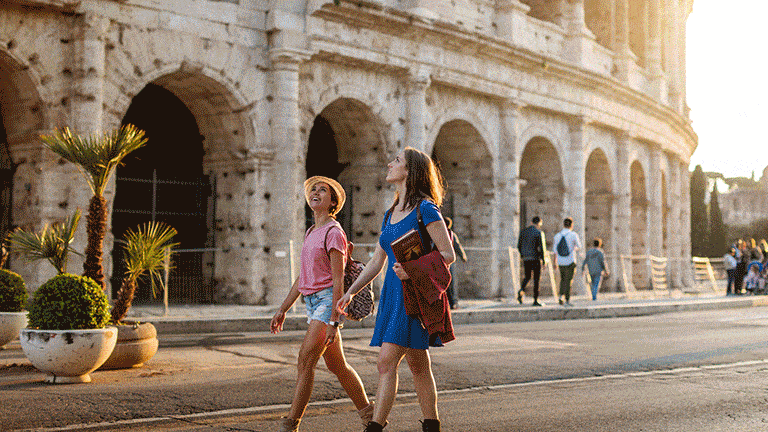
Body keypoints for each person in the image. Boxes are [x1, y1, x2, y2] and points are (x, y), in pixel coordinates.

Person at [337, 147, 456, 432]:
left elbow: (448, 254)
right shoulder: (390, 213)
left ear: (410, 171)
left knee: (386, 361)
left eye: (397, 161)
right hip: (393, 297)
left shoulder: (426, 209)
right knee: (418, 366)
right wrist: (351, 290)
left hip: (412, 296)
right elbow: (377, 261)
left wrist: (413, 269)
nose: (390, 164)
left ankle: (375, 427)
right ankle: (432, 425)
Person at [270, 176, 373, 432]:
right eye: (313, 189)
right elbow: (302, 278)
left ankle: (290, 424)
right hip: (313, 302)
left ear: (333, 202)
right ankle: (370, 416)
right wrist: (283, 308)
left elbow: (338, 280)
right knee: (337, 365)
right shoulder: (311, 232)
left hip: (328, 303)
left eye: (323, 190)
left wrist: (334, 321)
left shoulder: (333, 232)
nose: (315, 192)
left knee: (305, 360)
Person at [516, 216, 546, 306]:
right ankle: (535, 299)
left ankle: (521, 290)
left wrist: (523, 255)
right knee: (537, 279)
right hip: (535, 258)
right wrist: (543, 260)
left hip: (526, 258)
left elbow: (519, 245)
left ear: (531, 222)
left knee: (527, 276)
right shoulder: (539, 232)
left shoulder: (523, 232)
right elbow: (542, 248)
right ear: (539, 223)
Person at [552, 217, 581, 306]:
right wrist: (573, 248)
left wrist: (554, 262)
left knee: (563, 279)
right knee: (569, 280)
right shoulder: (573, 235)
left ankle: (561, 296)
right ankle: (567, 300)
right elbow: (579, 246)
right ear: (571, 225)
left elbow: (555, 251)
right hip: (570, 260)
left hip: (560, 261)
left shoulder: (557, 236)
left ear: (563, 224)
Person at [443, 216, 467, 309]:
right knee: (451, 282)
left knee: (446, 282)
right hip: (450, 261)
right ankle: (453, 302)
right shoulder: (451, 234)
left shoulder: (440, 233)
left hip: (441, 260)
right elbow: (457, 246)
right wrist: (463, 257)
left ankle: (450, 302)